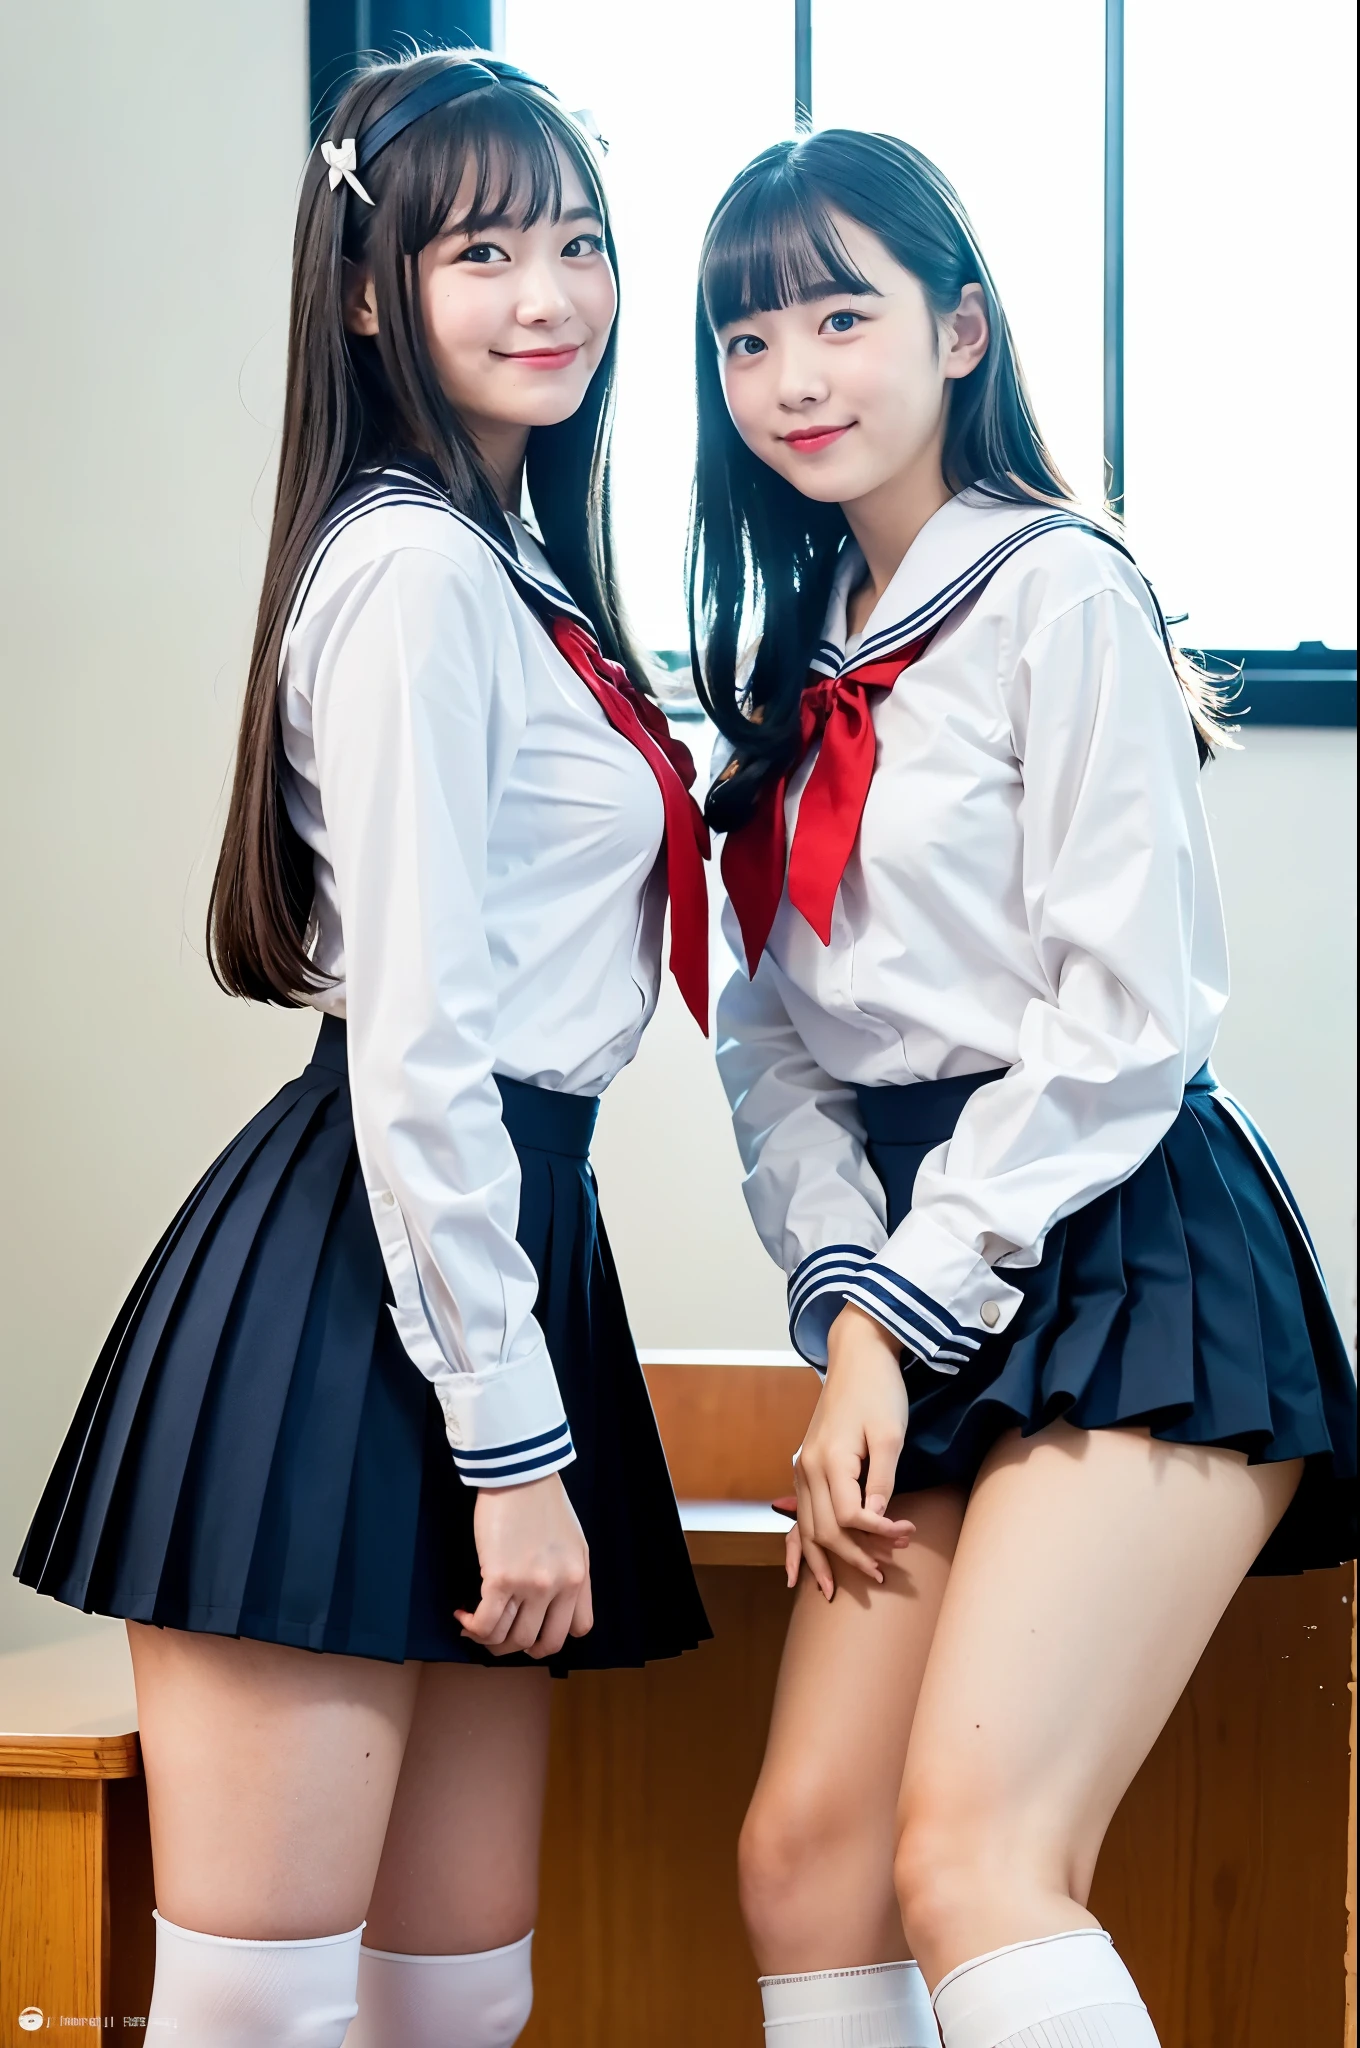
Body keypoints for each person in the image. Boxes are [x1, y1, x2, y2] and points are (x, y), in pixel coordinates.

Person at [16, 50, 710, 2048]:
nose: (547, 292)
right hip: (367, 1279)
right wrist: (510, 1449)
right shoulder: (412, 569)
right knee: (266, 2015)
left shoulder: (512, 564)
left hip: (494, 1250)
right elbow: (417, 1042)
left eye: (574, 240)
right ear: (363, 289)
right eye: (482, 248)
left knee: (448, 2004)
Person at [691, 128, 1356, 2048]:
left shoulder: (1056, 589)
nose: (796, 375)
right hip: (919, 1291)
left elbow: (1132, 1013)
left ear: (961, 329)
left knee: (975, 1854)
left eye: (843, 314)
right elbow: (771, 1046)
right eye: (748, 341)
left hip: (1120, 1243)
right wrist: (851, 1314)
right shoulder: (796, 656)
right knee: (800, 1857)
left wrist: (903, 1313)